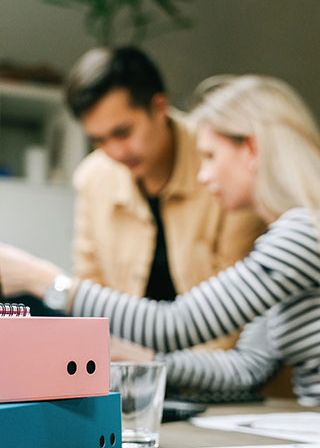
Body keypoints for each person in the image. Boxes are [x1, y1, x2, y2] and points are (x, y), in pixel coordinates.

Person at [0, 74, 320, 409]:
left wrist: (45, 281)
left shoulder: (305, 234)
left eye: (210, 156)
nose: (203, 176)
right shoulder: (301, 233)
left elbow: (175, 325)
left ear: (252, 149)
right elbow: (247, 368)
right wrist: (144, 362)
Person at [57, 47, 265, 350]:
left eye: (123, 132)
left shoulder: (223, 163)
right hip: (132, 372)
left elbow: (236, 315)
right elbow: (91, 292)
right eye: (99, 140)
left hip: (224, 375)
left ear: (159, 106)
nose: (115, 152)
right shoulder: (93, 177)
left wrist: (164, 374)